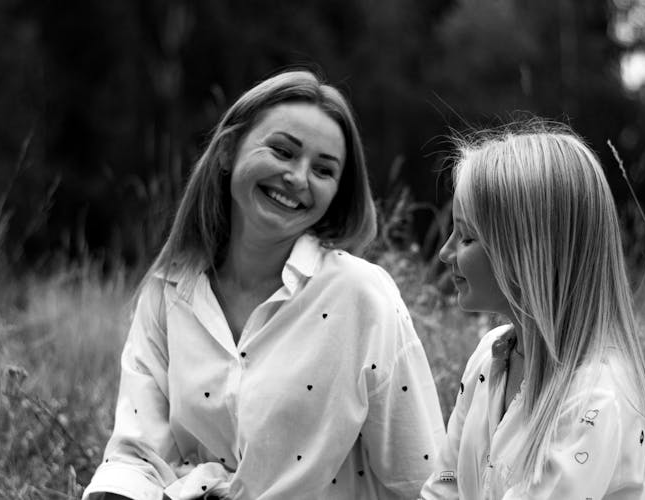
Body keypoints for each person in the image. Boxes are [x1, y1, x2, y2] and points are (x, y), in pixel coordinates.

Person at [83, 69, 445, 500]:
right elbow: (136, 456)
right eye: (282, 151)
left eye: (324, 170)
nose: (298, 177)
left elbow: (422, 478)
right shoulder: (167, 292)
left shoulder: (362, 296)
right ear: (227, 151)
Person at [420, 122, 645, 499]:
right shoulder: (490, 356)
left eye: (467, 237)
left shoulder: (595, 398)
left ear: (529, 254)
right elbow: (445, 482)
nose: (445, 252)